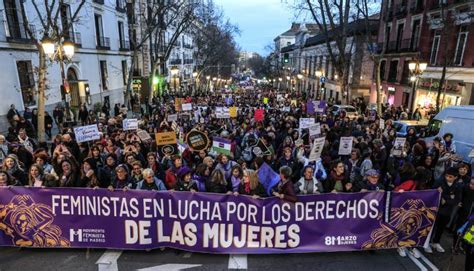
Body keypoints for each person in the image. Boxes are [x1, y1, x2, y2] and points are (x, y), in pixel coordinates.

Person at [429, 167, 462, 253]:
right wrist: (449, 197)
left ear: (456, 177)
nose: (447, 178)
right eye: (446, 176)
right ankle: (428, 242)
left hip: (447, 211)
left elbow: (457, 200)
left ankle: (436, 242)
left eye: (450, 177)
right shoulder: (439, 182)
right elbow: (433, 193)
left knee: (441, 228)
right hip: (436, 209)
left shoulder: (457, 186)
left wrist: (445, 198)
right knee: (432, 227)